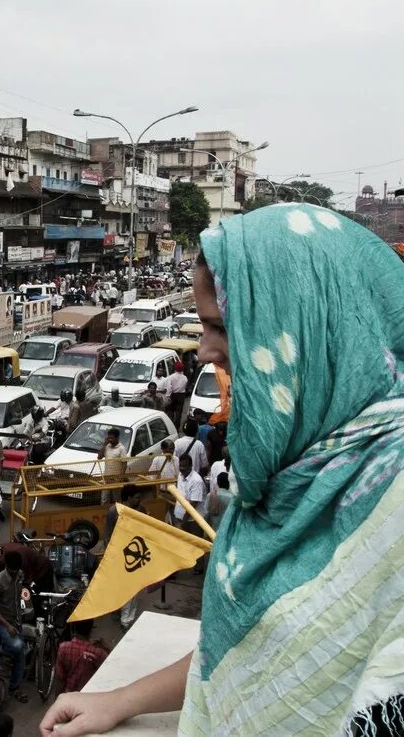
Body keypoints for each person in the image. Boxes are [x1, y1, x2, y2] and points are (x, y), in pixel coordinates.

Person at [44, 207, 404, 735]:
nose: (206, 350)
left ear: (301, 325)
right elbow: (248, 650)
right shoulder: (295, 469)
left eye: (220, 326)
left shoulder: (390, 501)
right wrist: (120, 699)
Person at [105, 484, 148, 630]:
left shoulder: (141, 510)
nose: (139, 501)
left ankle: (127, 621)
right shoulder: (113, 512)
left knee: (132, 589)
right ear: (128, 498)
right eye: (136, 498)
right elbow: (107, 537)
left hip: (135, 555)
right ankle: (119, 611)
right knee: (119, 587)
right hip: (118, 555)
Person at [0, 551, 28, 703]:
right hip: (2, 621)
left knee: (21, 652)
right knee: (18, 647)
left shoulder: (20, 574)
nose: (15, 573)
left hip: (17, 619)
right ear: (7, 567)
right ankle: (4, 651)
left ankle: (14, 686)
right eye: (13, 570)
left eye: (17, 569)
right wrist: (7, 625)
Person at [54, 620, 110, 694]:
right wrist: (105, 647)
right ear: (91, 629)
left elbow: (60, 678)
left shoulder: (63, 648)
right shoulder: (98, 652)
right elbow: (108, 668)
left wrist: (58, 697)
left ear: (74, 628)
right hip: (88, 695)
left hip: (69, 694)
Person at [96, 428, 126, 504]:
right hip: (106, 478)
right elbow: (99, 457)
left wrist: (120, 478)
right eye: (108, 438)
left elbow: (124, 464)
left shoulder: (121, 449)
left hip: (116, 479)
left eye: (112, 438)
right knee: (104, 499)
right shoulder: (106, 446)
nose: (110, 440)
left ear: (117, 437)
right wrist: (104, 445)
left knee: (117, 500)